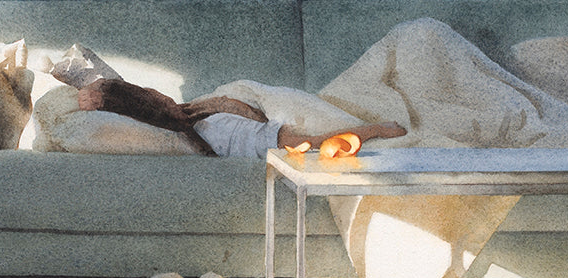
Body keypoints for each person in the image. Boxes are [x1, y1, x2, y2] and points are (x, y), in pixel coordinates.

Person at [76, 78, 407, 158]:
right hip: (221, 122)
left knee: (299, 134)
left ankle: (371, 125)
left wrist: (100, 90)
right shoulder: (213, 129)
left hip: (227, 115)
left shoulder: (208, 121)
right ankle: (372, 128)